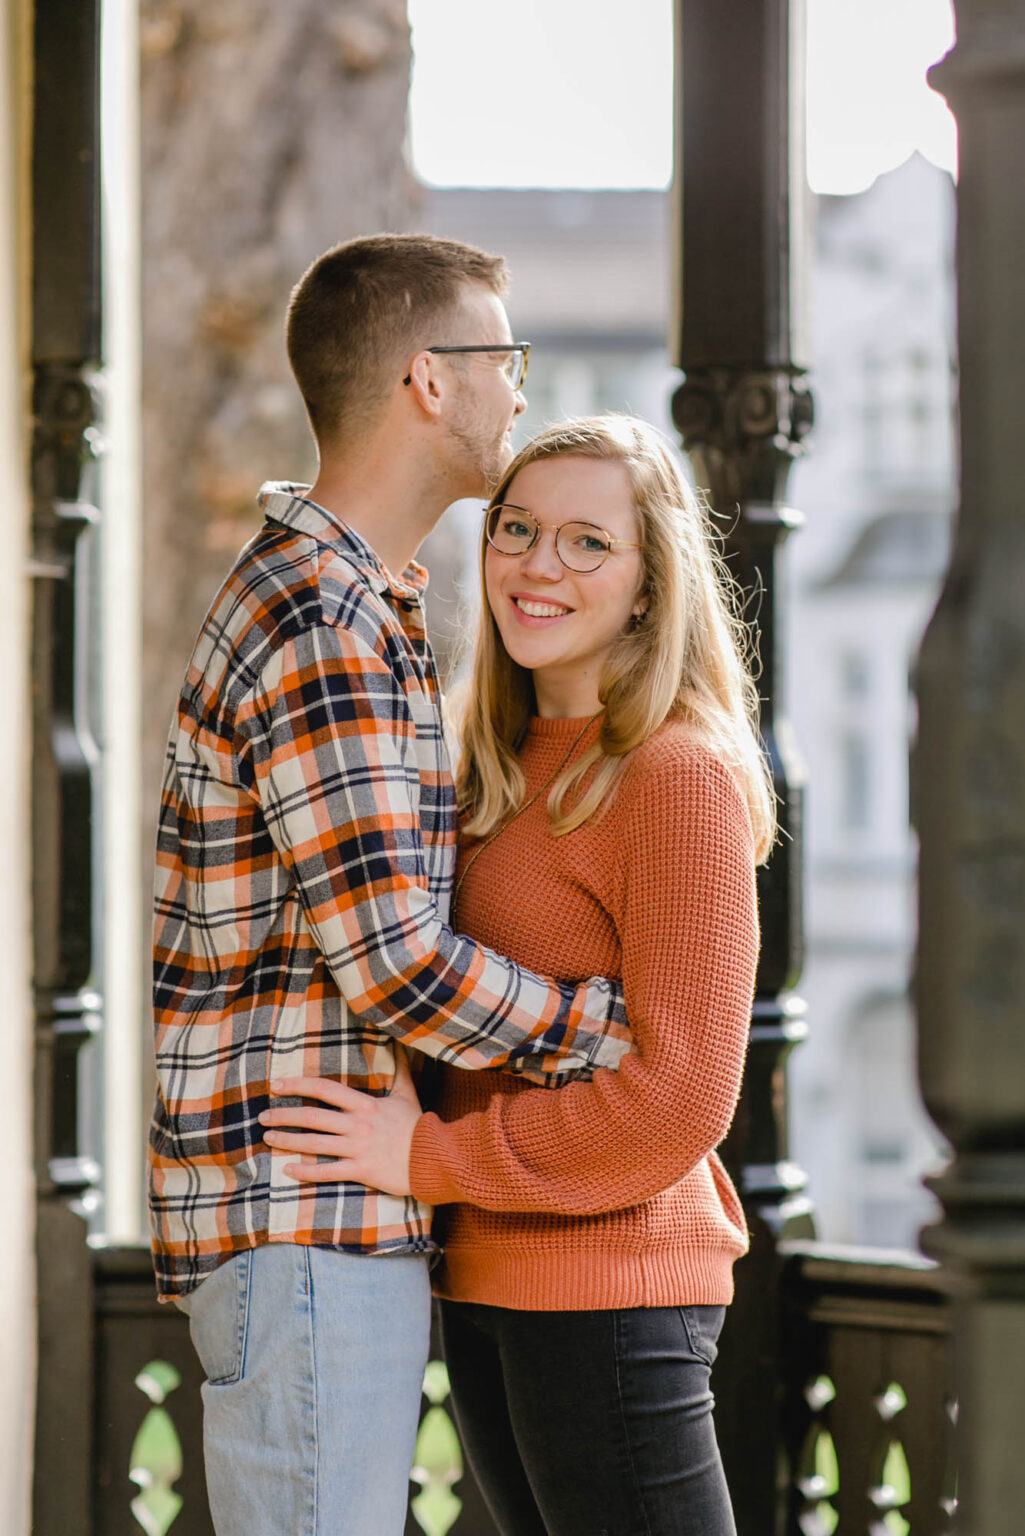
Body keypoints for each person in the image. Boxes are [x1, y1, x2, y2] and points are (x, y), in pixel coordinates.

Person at [148, 237, 635, 1536]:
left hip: (317, 1224)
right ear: (430, 378)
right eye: (502, 360)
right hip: (303, 1222)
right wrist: (604, 1030)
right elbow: (399, 965)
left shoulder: (358, 607)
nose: (518, 393)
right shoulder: (324, 623)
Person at [261, 413, 774, 1536]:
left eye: (588, 543)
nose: (538, 565)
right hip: (484, 1282)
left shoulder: (671, 776)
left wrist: (429, 1155)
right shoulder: (486, 768)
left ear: (649, 584)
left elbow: (681, 1098)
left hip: (612, 1289)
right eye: (516, 529)